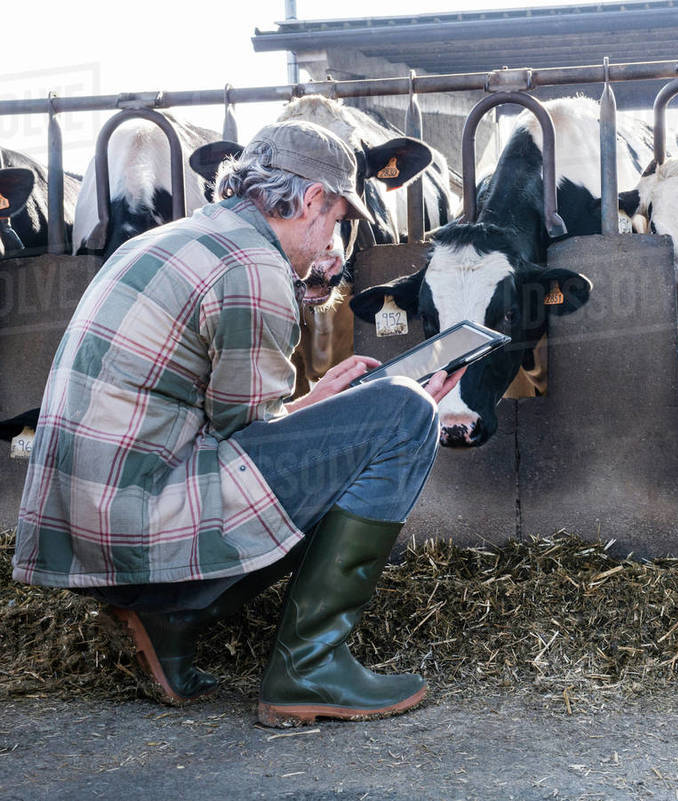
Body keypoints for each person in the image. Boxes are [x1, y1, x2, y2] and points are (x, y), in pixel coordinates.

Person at [11, 120, 461, 728]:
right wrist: (402, 406)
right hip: (139, 533)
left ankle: (169, 623)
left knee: (377, 417)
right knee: (404, 415)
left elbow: (220, 422)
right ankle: (310, 666)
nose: (333, 238)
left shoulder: (173, 239)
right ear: (309, 202)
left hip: (86, 533)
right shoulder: (254, 268)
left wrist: (318, 400)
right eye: (337, 219)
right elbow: (247, 439)